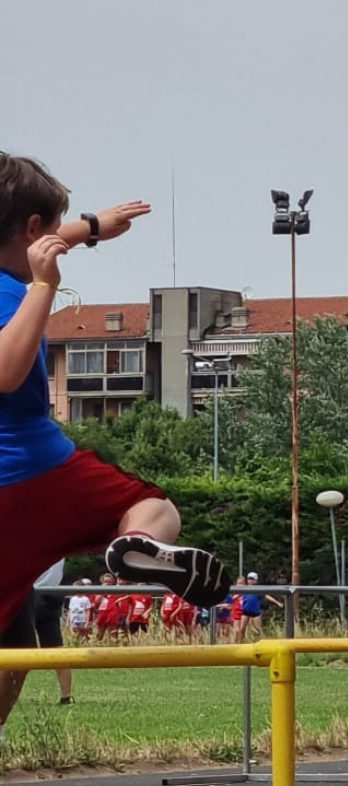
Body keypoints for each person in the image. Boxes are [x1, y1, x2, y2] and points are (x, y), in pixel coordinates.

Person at [0, 154, 231, 657]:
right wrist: (44, 286)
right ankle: (141, 544)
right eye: (53, 232)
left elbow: (33, 242)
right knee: (149, 506)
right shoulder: (12, 293)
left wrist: (91, 227)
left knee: (13, 641)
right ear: (33, 229)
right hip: (32, 469)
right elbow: (4, 372)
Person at [0, 561, 73, 745]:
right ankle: (66, 695)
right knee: (45, 648)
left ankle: (66, 695)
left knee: (23, 651)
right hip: (36, 588)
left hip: (24, 586)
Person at [234, 572, 282, 642]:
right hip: (246, 611)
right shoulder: (245, 588)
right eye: (249, 579)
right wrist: (231, 600)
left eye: (252, 579)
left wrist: (277, 603)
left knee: (258, 629)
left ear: (256, 580)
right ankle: (241, 642)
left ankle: (263, 642)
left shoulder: (258, 589)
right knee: (242, 628)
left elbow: (267, 596)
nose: (250, 580)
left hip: (255, 612)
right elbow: (237, 595)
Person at [92, 573, 122, 644]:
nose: (107, 584)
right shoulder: (98, 592)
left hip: (112, 616)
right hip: (102, 615)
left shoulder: (116, 591)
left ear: (112, 583)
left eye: (109, 582)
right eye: (105, 582)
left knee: (113, 635)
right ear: (102, 582)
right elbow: (95, 603)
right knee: (99, 635)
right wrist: (102, 592)